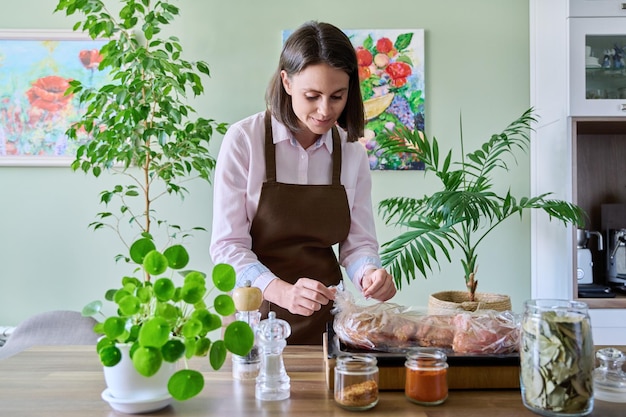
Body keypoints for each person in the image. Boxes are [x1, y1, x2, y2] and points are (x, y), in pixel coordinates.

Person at [210, 21, 396, 345]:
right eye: (313, 96)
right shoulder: (244, 141)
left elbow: (358, 243)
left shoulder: (351, 151)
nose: (325, 110)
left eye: (337, 96)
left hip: (326, 322)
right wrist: (282, 292)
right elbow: (228, 247)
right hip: (253, 319)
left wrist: (370, 274)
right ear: (286, 81)